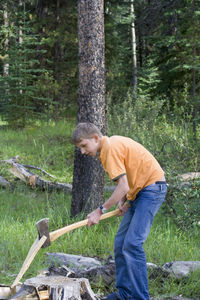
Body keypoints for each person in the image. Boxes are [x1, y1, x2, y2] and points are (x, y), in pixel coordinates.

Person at [72, 122, 167, 300]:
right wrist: (124, 199)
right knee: (120, 243)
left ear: (95, 138)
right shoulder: (108, 147)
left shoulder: (110, 148)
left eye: (84, 146)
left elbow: (123, 185)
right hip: (139, 191)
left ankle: (139, 297)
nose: (83, 152)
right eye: (80, 148)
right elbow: (128, 179)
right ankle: (125, 294)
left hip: (152, 189)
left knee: (132, 244)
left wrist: (100, 211)